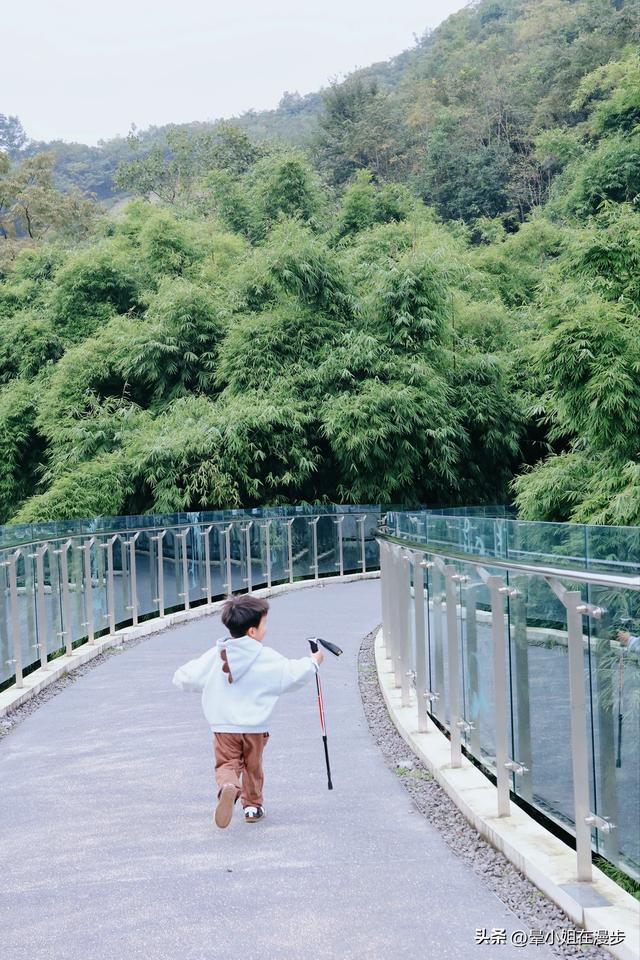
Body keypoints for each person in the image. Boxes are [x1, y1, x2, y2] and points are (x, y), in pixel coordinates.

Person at [172, 594, 324, 828]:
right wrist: (313, 661)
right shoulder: (266, 657)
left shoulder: (216, 655)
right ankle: (252, 806)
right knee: (253, 767)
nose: (266, 629)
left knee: (227, 765)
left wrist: (208, 682)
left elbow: (184, 677)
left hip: (224, 727)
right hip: (255, 727)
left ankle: (227, 787)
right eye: (264, 624)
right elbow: (292, 674)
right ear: (252, 631)